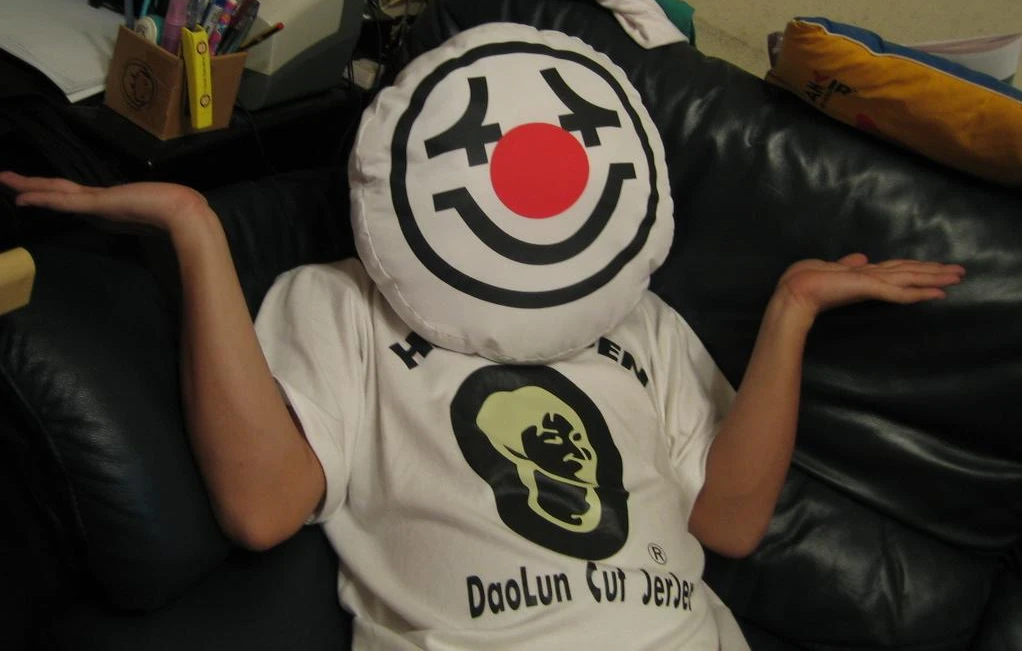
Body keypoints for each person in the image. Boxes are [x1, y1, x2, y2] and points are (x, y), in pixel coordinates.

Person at [0, 169, 965, 650]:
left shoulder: (638, 315)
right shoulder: (341, 300)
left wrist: (792, 311)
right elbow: (261, 504)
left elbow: (731, 522)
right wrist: (194, 227)